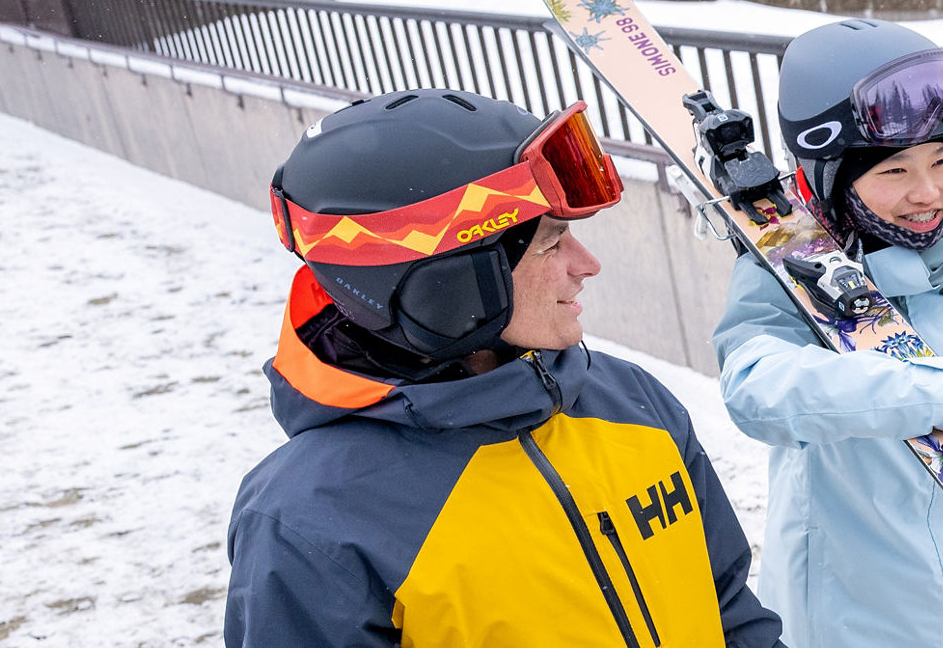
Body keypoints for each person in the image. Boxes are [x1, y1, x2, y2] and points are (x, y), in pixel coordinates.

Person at [226, 89, 786, 647]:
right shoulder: (309, 520)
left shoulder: (628, 399)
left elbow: (728, 605)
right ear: (442, 282)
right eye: (551, 243)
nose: (587, 265)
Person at [710, 18, 943, 647]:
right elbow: (758, 390)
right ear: (837, 174)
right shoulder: (787, 275)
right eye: (894, 171)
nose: (928, 192)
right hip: (857, 621)